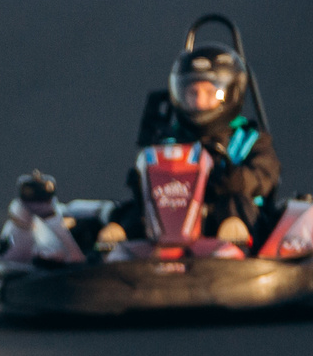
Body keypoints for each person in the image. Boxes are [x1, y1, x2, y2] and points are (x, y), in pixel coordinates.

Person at [99, 41, 281, 248]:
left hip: (224, 214)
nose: (200, 102)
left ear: (230, 93)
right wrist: (143, 179)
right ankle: (119, 241)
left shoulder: (249, 140)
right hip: (172, 213)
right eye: (193, 94)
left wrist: (237, 180)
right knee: (134, 209)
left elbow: (266, 176)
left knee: (234, 204)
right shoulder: (168, 141)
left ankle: (234, 239)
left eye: (210, 93)